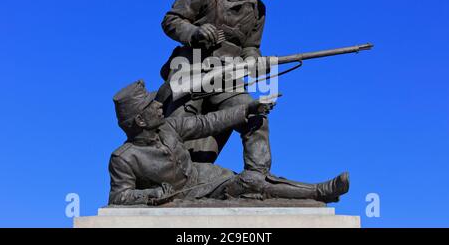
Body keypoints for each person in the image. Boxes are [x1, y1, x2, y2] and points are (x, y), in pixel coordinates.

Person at [108, 80, 349, 206]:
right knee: (251, 185)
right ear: (140, 119)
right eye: (152, 105)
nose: (160, 105)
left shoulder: (169, 126)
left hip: (205, 177)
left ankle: (319, 192)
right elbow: (118, 197)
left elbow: (209, 122)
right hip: (183, 194)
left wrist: (248, 108)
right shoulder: (123, 158)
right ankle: (318, 193)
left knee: (252, 181)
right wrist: (152, 194)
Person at [158, 0, 288, 172]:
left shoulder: (259, 10)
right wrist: (194, 33)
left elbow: (250, 47)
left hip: (226, 79)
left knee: (255, 117)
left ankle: (256, 179)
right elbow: (171, 20)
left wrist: (255, 61)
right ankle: (167, 176)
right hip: (191, 68)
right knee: (178, 126)